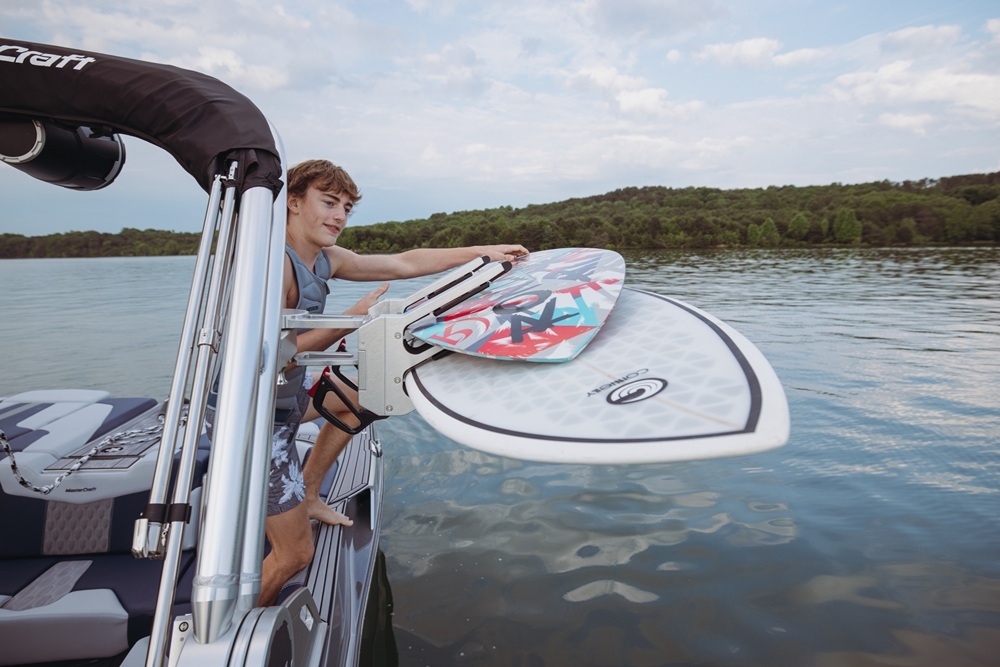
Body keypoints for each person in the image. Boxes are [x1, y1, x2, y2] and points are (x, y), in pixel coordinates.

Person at [258, 159, 527, 606]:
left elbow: (404, 263)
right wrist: (353, 320)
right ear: (292, 202)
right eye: (328, 203)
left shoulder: (325, 260)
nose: (339, 216)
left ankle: (308, 493)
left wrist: (486, 254)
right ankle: (234, 638)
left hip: (285, 405)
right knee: (295, 555)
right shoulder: (275, 268)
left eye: (346, 207)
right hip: (254, 421)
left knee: (367, 400)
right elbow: (269, 359)